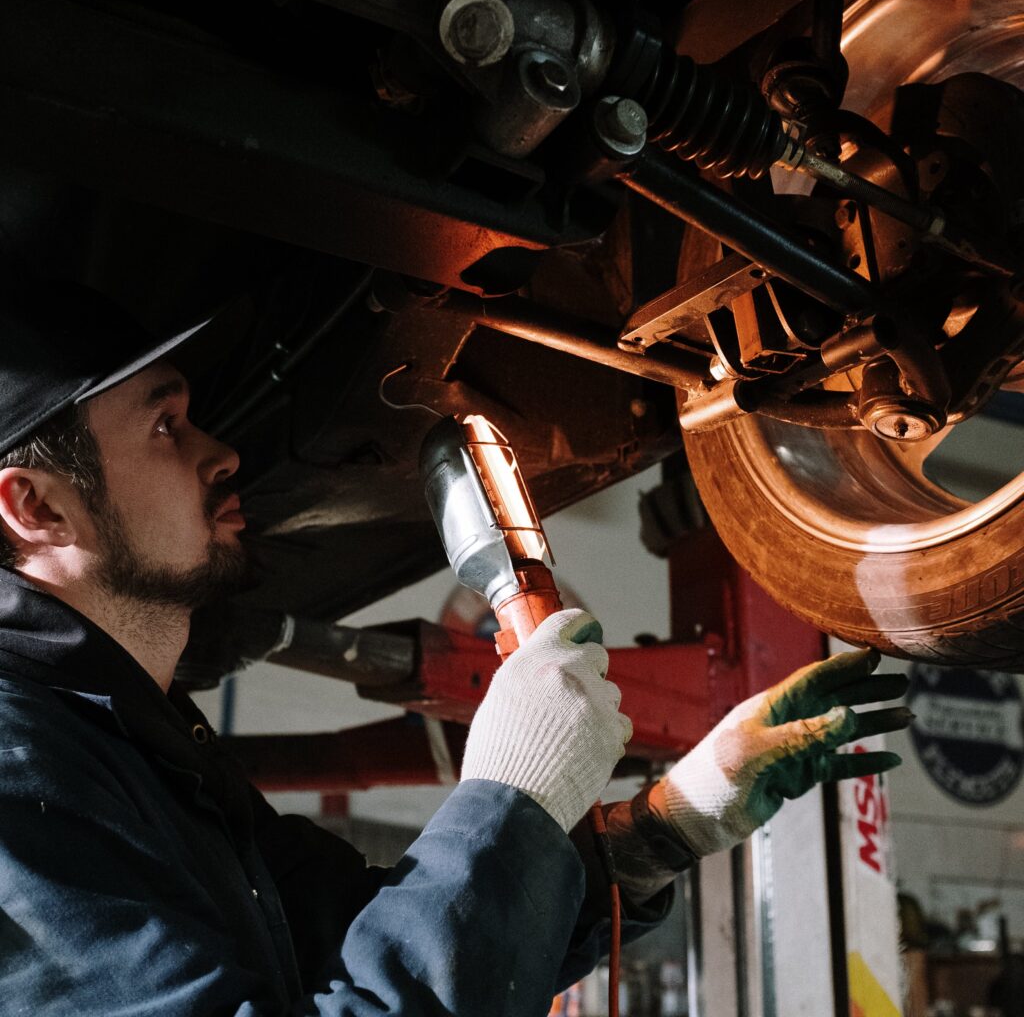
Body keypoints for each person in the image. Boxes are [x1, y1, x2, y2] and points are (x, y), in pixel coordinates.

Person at [0, 283, 912, 1016]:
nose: (224, 453)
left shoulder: (140, 750)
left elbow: (365, 941)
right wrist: (511, 800)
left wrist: (659, 829)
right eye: (165, 426)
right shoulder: (17, 778)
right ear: (35, 507)